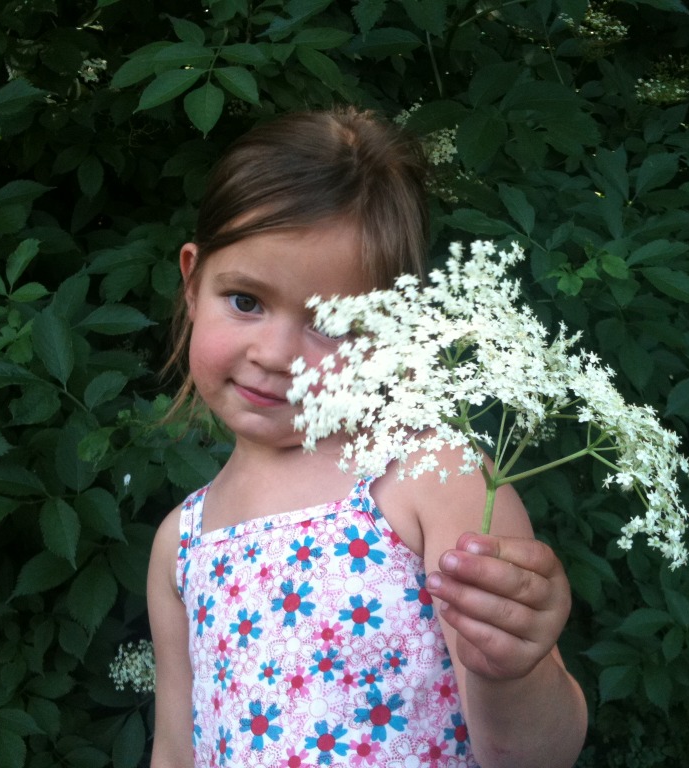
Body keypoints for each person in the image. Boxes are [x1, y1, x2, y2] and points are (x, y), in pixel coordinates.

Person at [147, 106, 588, 768]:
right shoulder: (180, 543)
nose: (274, 354)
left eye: (333, 324)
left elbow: (535, 757)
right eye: (245, 300)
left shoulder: (430, 477)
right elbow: (177, 750)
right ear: (191, 282)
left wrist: (514, 671)